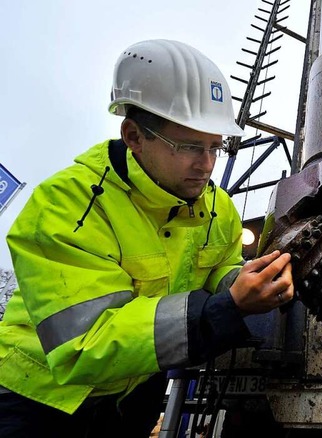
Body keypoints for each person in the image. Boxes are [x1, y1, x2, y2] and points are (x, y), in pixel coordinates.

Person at [0, 39, 294, 437]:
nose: (205, 165)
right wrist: (226, 308)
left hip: (134, 395)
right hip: (41, 402)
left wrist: (249, 281)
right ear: (135, 136)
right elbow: (88, 345)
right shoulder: (67, 206)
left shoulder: (216, 206)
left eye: (215, 147)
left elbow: (220, 265)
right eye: (189, 146)